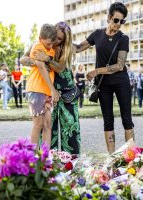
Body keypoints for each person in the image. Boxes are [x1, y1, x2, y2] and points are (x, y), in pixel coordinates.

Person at [74, 2, 134, 154]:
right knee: (108, 121)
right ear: (109, 17)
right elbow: (79, 48)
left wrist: (96, 71)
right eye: (116, 20)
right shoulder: (97, 34)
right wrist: (61, 42)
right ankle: (112, 158)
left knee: (126, 119)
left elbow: (120, 65)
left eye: (122, 21)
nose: (119, 24)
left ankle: (131, 158)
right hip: (104, 84)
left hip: (121, 82)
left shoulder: (123, 38)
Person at [21, 22, 81, 155]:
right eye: (55, 37)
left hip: (66, 93)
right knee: (45, 126)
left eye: (59, 39)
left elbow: (59, 68)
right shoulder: (42, 44)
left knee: (69, 128)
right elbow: (23, 59)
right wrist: (36, 62)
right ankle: (43, 158)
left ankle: (69, 161)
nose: (55, 41)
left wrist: (47, 59)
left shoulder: (66, 49)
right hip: (45, 90)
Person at [25, 24, 60, 147]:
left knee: (47, 124)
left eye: (52, 44)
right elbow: (40, 66)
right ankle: (33, 158)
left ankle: (45, 157)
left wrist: (50, 90)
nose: (50, 46)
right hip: (36, 89)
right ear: (40, 38)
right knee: (38, 124)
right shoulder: (37, 46)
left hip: (46, 92)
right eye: (48, 44)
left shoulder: (51, 49)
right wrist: (53, 89)